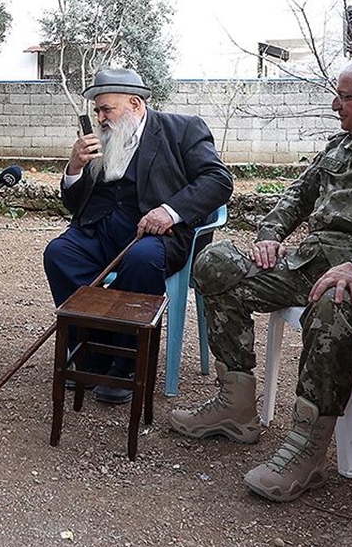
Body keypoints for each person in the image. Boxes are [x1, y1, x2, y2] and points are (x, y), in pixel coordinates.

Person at [168, 53, 352, 503]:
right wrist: (269, 235)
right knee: (214, 263)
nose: (334, 105)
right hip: (312, 262)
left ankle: (307, 448)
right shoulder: (340, 146)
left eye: (344, 97)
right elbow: (297, 196)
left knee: (335, 300)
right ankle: (236, 404)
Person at [44, 67, 234, 404]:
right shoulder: (101, 140)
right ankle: (91, 352)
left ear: (135, 103)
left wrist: (170, 211)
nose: (100, 117)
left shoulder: (183, 129)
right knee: (59, 253)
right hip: (100, 228)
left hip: (157, 233)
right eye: (97, 110)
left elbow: (218, 181)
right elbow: (75, 204)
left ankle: (126, 363)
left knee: (141, 260)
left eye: (107, 109)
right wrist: (73, 168)